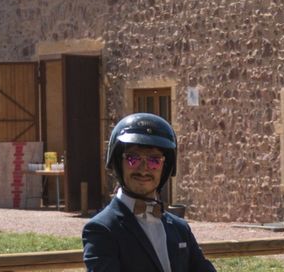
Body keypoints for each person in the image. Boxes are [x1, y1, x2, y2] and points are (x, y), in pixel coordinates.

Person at [82, 112, 216, 272]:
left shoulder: (180, 228)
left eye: (154, 160)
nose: (144, 168)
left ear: (164, 167)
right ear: (119, 162)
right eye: (133, 158)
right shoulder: (102, 229)